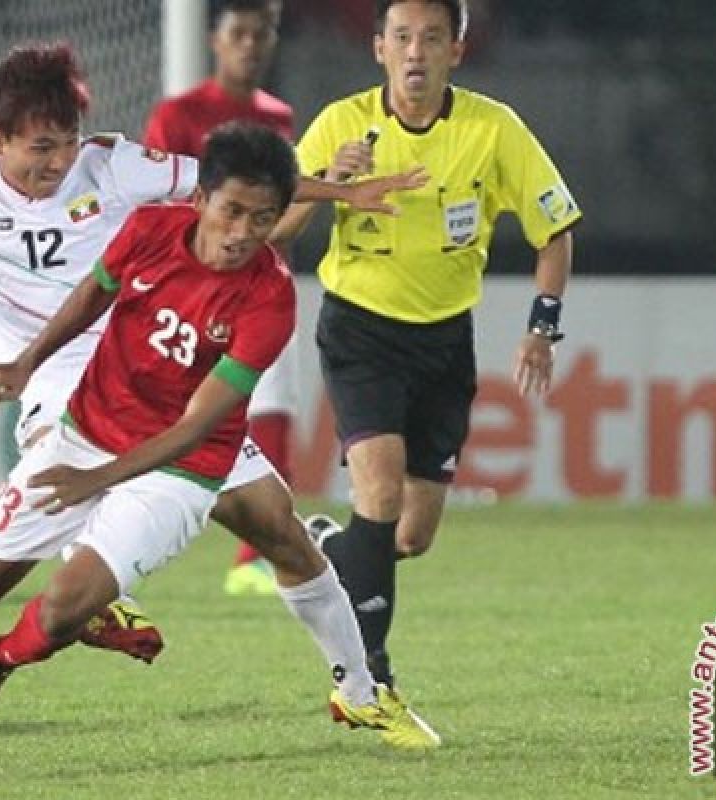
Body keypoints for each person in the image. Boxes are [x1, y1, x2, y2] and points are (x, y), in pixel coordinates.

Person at [0, 43, 434, 768]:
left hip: (168, 404)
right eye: (39, 148)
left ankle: (357, 686)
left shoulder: (130, 179)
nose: (56, 162)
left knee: (277, 526)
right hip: (70, 387)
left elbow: (240, 186)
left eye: (65, 144)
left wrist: (340, 194)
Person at [0, 122, 436, 763]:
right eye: (232, 212)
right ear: (201, 201)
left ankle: (360, 691)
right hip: (107, 415)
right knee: (60, 611)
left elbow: (197, 424)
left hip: (194, 437)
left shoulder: (266, 290)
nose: (245, 230)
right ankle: (3, 654)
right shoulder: (146, 220)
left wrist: (334, 191)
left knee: (286, 536)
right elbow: (98, 288)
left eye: (263, 218)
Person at [275, 0, 582, 690]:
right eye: (403, 38)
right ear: (379, 48)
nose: (416, 52)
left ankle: (326, 550)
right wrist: (333, 185)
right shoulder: (342, 124)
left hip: (444, 342)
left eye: (433, 39)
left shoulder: (492, 129)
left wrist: (542, 328)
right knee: (377, 494)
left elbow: (554, 230)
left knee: (407, 536)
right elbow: (275, 228)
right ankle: (368, 678)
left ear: (457, 53)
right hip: (360, 330)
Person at [145, 0, 299, 597]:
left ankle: (253, 559)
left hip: (261, 290)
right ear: (214, 39)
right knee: (165, 416)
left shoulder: (279, 117)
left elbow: (280, 219)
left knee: (275, 405)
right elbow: (160, 204)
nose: (251, 44)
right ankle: (112, 546)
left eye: (262, 34)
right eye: (239, 33)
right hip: (196, 294)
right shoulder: (179, 115)